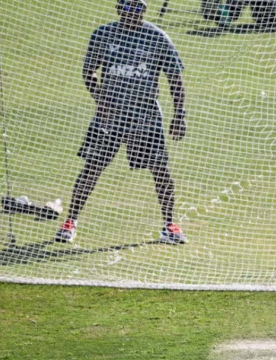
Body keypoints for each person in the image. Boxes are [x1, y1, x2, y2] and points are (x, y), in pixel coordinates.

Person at [55, 0, 188, 244]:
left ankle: (170, 225)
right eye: (127, 8)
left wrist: (179, 115)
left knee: (161, 171)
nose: (133, 13)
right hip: (110, 115)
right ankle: (70, 221)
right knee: (92, 167)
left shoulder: (158, 37)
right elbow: (88, 72)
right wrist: (100, 100)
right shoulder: (103, 34)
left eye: (138, 8)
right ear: (119, 9)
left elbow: (175, 79)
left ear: (144, 10)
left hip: (145, 115)